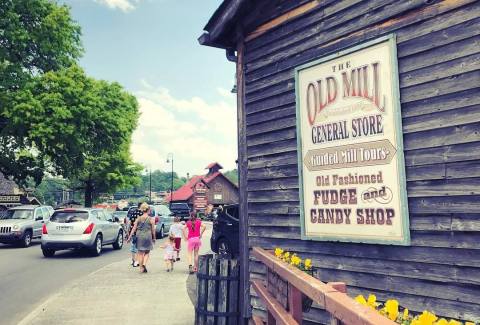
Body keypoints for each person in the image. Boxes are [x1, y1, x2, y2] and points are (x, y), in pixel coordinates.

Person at [127, 202, 155, 273]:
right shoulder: (151, 219)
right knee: (147, 252)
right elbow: (153, 230)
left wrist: (129, 237)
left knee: (140, 253)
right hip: (148, 236)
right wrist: (154, 238)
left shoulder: (138, 218)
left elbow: (133, 228)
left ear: (142, 210)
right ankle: (144, 264)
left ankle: (141, 268)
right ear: (148, 210)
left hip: (139, 236)